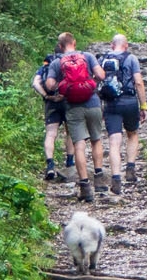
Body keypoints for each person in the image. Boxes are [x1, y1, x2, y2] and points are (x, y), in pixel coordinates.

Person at [41, 33, 120, 202]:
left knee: (79, 144)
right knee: (96, 140)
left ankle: (85, 186)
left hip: (72, 106)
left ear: (60, 46)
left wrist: (62, 85)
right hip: (92, 102)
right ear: (74, 43)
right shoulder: (88, 56)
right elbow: (101, 75)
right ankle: (98, 179)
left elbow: (49, 85)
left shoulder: (56, 62)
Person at [101, 33, 147, 186]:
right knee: (132, 134)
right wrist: (143, 105)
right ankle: (130, 167)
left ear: (111, 45)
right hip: (129, 102)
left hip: (111, 104)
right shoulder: (131, 58)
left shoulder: (102, 59)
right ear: (126, 45)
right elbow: (139, 83)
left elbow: (98, 83)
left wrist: (101, 106)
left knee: (114, 141)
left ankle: (115, 177)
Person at [34, 42, 66, 181]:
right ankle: (70, 163)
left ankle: (50, 164)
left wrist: (47, 96)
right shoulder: (70, 63)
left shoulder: (47, 65)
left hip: (51, 102)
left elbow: (35, 83)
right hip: (68, 101)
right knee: (70, 132)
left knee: (51, 133)